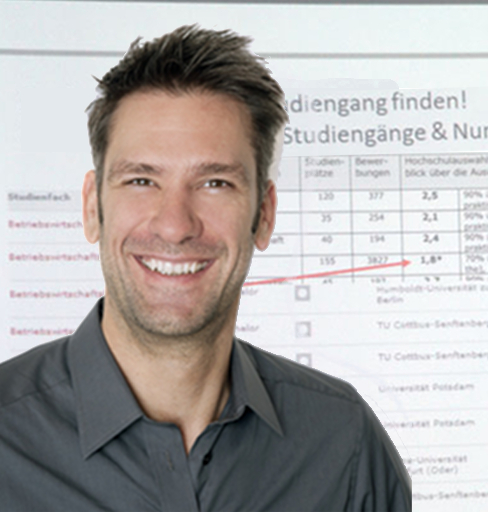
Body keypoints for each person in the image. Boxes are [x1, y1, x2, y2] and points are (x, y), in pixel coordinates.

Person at [0, 26, 411, 510]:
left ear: (264, 214)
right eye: (141, 180)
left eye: (215, 182)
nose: (175, 226)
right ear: (92, 208)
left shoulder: (344, 444)